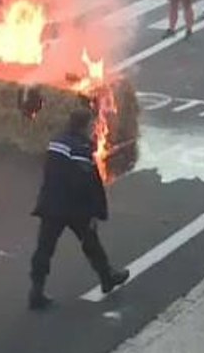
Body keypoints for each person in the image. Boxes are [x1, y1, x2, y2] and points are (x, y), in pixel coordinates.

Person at [28, 108, 130, 310]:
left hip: (51, 203)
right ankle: (106, 277)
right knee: (91, 242)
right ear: (85, 126)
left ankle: (36, 291)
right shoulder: (82, 149)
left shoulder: (56, 141)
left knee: (44, 248)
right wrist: (95, 211)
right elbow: (88, 183)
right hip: (74, 208)